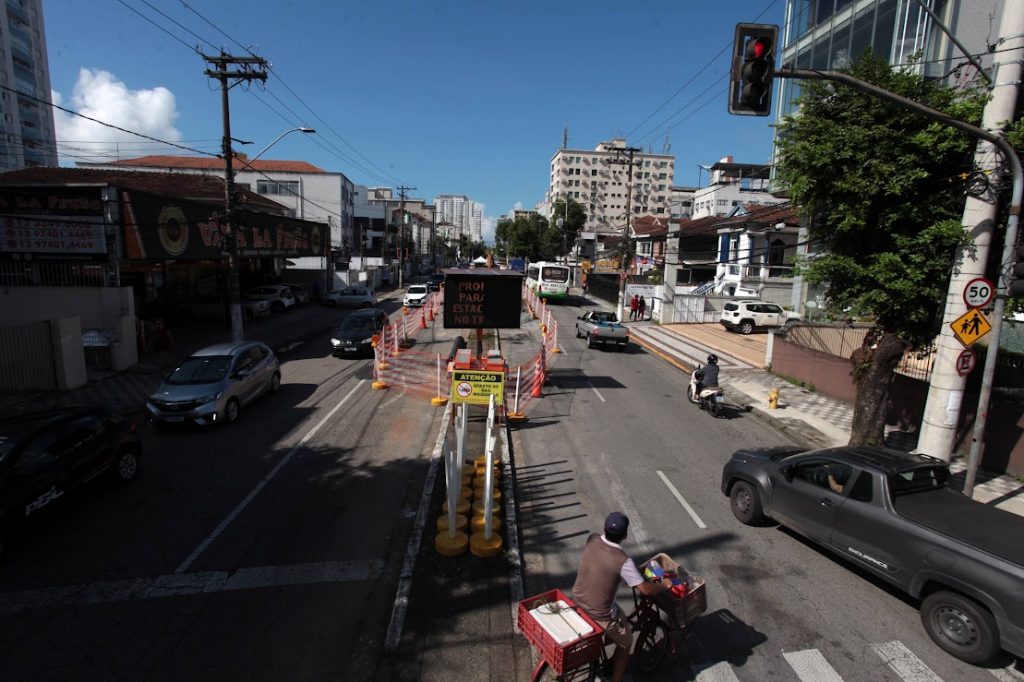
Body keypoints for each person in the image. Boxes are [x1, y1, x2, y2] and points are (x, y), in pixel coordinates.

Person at [572, 512, 672, 682]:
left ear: (604, 528)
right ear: (625, 535)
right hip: (600, 614)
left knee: (619, 615)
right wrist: (664, 584)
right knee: (626, 641)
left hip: (577, 601)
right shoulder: (623, 561)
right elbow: (646, 590)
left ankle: (602, 650)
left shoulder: (592, 539)